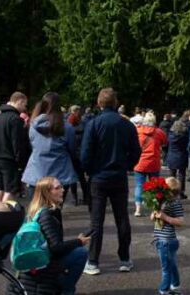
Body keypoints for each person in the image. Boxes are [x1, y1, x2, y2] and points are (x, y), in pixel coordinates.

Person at [81, 88, 141, 275]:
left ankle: (93, 261)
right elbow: (136, 152)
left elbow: (85, 154)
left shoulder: (93, 124)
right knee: (122, 218)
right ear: (116, 103)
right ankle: (124, 258)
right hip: (118, 176)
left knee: (96, 221)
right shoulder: (127, 125)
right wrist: (127, 166)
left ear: (99, 104)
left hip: (98, 176)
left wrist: (90, 170)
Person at [8, 176, 90, 295]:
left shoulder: (34, 211)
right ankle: (67, 291)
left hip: (32, 261)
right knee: (81, 253)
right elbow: (56, 248)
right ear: (47, 193)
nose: (62, 190)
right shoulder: (48, 214)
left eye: (61, 187)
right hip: (45, 263)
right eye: (57, 188)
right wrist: (78, 241)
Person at [23, 92, 78, 199]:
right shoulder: (67, 127)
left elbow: (32, 145)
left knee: (35, 212)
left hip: (36, 173)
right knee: (55, 211)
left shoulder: (33, 125)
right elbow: (72, 150)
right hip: (60, 175)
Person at [0, 92, 28, 202]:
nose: (24, 108)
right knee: (10, 190)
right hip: (9, 158)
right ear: (20, 101)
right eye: (24, 104)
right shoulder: (15, 119)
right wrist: (20, 162)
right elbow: (17, 143)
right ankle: (4, 214)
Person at [150, 177, 185, 295]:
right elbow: (153, 218)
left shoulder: (175, 203)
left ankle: (164, 290)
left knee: (166, 268)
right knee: (172, 265)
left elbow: (180, 222)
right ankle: (175, 286)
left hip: (167, 241)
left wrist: (164, 217)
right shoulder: (161, 201)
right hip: (162, 240)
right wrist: (154, 213)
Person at [133, 112, 168, 217]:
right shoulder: (159, 132)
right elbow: (165, 143)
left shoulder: (138, 131)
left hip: (140, 163)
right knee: (154, 187)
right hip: (154, 162)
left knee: (139, 185)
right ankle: (154, 209)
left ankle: (138, 209)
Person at [67, 108, 89, 205]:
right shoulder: (84, 125)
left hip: (72, 154)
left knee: (73, 178)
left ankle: (74, 199)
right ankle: (86, 197)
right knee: (82, 177)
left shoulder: (68, 126)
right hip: (80, 154)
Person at [166, 111, 190, 199]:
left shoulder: (170, 136)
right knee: (181, 175)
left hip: (171, 156)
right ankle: (181, 192)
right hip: (181, 156)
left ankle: (169, 191)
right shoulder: (184, 137)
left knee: (171, 175)